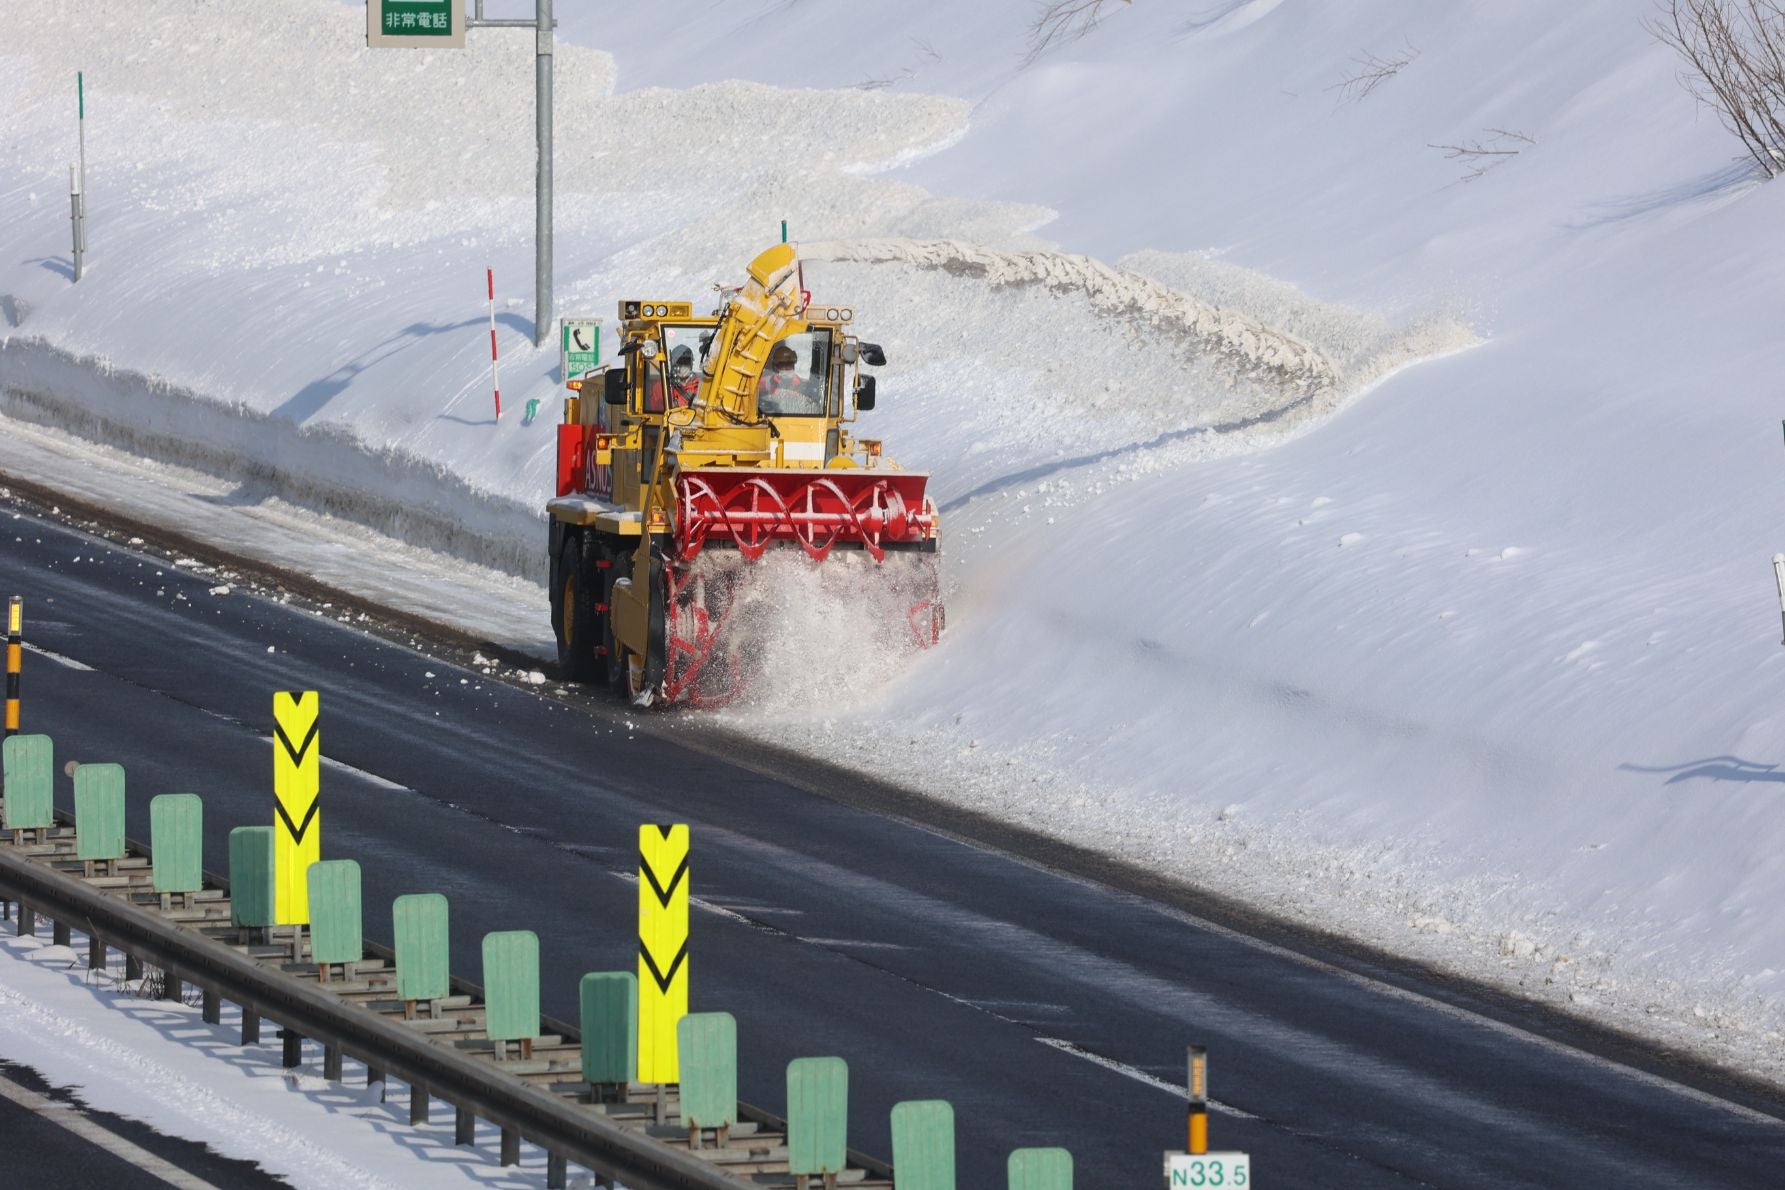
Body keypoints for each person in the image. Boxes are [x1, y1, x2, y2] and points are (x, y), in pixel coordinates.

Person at [757, 342, 818, 415]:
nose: (786, 368)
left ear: (793, 365)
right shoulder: (765, 383)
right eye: (782, 365)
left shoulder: (805, 385)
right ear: (776, 367)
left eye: (789, 364)